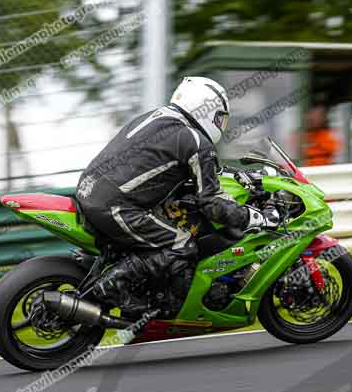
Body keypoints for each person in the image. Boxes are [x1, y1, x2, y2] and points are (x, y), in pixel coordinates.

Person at [75, 76, 280, 320]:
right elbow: (212, 204)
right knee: (182, 244)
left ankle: (138, 289)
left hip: (89, 191)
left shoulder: (159, 118)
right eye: (220, 117)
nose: (221, 125)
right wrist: (255, 217)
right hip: (115, 207)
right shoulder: (194, 140)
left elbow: (169, 167)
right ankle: (112, 287)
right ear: (206, 108)